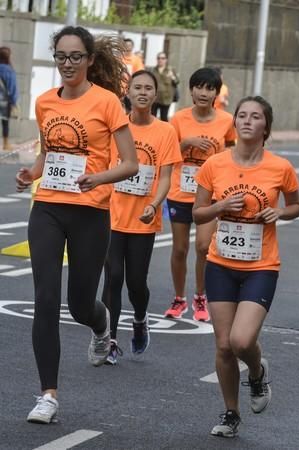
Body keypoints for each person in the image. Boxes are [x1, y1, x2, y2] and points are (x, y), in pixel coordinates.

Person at [14, 26, 138, 424]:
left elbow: (130, 163)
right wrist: (29, 174)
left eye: (75, 57)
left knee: (80, 302)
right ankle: (47, 394)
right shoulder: (45, 102)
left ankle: (101, 325)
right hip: (48, 207)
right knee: (46, 299)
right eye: (61, 57)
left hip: (91, 211)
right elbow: (48, 154)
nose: (67, 64)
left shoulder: (106, 103)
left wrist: (98, 179)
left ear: (88, 60)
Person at [192, 96, 299, 437]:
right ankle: (230, 412)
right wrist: (221, 205)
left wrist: (279, 212)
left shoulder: (280, 167)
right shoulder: (214, 165)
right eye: (241, 115)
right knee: (224, 345)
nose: (246, 121)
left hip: (261, 265)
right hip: (220, 263)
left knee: (242, 341)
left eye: (255, 117)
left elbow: (296, 205)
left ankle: (256, 371)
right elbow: (198, 213)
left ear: (266, 126)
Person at [101, 70, 182, 365]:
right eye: (137, 87)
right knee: (112, 278)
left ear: (156, 94)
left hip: (143, 219)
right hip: (111, 215)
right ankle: (109, 341)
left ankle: (139, 318)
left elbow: (165, 176)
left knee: (136, 282)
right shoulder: (116, 128)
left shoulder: (165, 132)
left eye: (149, 88)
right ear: (128, 92)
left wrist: (155, 204)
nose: (143, 92)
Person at [165, 67, 237, 322]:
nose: (203, 93)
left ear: (217, 93)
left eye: (210, 88)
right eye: (199, 87)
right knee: (180, 249)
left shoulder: (227, 121)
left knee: (204, 247)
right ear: (191, 90)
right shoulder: (179, 119)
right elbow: (168, 153)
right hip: (180, 191)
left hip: (210, 194)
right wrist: (187, 144)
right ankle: (179, 298)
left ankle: (200, 296)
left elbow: (232, 152)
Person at [150, 51, 178, 122]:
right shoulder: (153, 70)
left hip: (166, 99)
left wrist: (172, 77)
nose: (160, 60)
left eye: (163, 58)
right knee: (152, 118)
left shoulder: (171, 70)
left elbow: (177, 82)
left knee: (164, 118)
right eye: (159, 58)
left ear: (166, 60)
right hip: (155, 98)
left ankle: (164, 132)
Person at [0, 46, 18, 150]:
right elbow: (13, 88)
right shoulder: (9, 70)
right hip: (4, 101)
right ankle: (6, 144)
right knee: (5, 122)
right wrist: (14, 101)